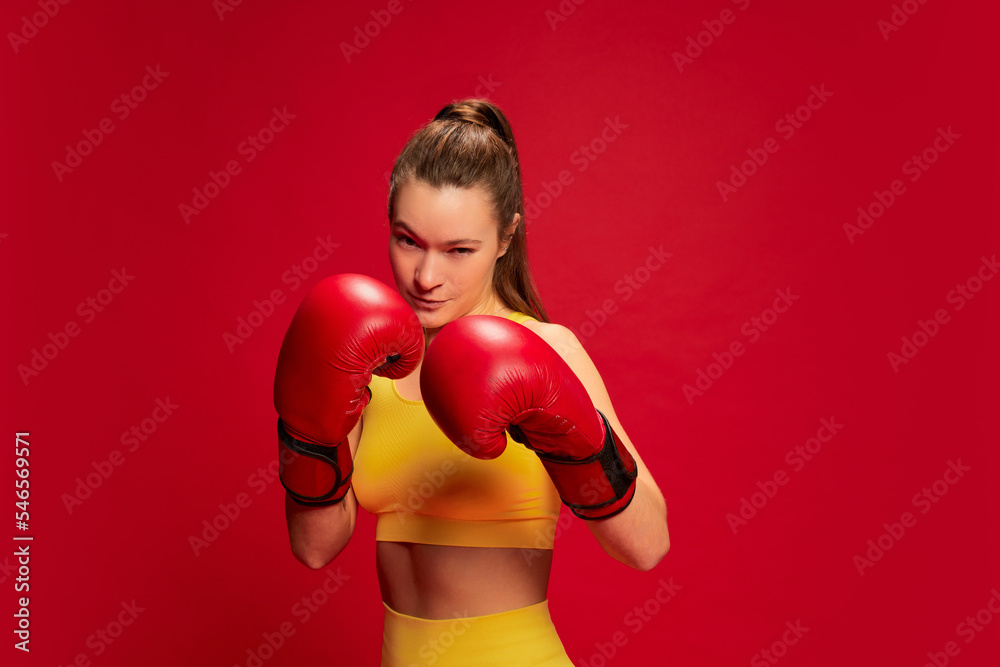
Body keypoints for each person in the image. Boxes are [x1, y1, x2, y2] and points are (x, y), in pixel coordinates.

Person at [274, 99, 670, 666]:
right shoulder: (369, 358)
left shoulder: (547, 350)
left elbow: (648, 547)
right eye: (408, 240)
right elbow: (315, 549)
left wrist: (578, 446)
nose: (427, 277)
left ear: (506, 238)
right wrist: (306, 434)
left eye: (459, 250)